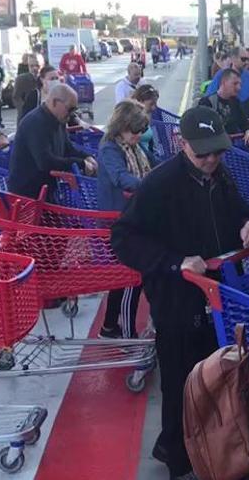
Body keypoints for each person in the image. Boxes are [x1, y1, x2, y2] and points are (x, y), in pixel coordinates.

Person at [111, 106, 249, 479]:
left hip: (218, 297)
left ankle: (216, 447)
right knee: (182, 382)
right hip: (177, 300)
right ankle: (179, 459)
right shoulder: (160, 184)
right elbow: (123, 238)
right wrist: (175, 261)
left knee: (218, 375)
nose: (212, 160)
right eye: (204, 153)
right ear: (183, 145)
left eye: (218, 151)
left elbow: (241, 213)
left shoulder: (220, 176)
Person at [96, 101, 154, 339]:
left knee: (122, 277)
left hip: (130, 217)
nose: (139, 136)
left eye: (142, 131)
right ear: (121, 127)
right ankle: (127, 335)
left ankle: (109, 326)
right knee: (132, 276)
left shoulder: (136, 148)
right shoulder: (110, 149)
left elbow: (156, 163)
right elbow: (121, 177)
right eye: (135, 131)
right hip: (117, 222)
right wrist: (151, 186)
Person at [9, 84, 97, 198]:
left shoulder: (58, 120)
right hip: (29, 194)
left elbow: (67, 149)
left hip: (47, 189)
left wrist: (86, 157)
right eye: (70, 109)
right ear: (55, 102)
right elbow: (45, 162)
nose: (72, 114)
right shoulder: (35, 123)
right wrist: (80, 163)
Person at [198, 69, 249, 143]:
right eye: (235, 83)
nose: (239, 88)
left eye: (240, 84)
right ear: (224, 83)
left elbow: (244, 123)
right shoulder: (207, 102)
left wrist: (248, 132)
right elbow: (203, 130)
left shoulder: (235, 102)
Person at [206, 47, 249, 117]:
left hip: (245, 120)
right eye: (243, 59)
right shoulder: (221, 74)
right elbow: (210, 95)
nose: (247, 62)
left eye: (248, 59)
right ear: (233, 59)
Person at [130, 84, 160, 161]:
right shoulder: (132, 119)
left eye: (155, 103)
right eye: (151, 104)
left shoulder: (149, 115)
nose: (154, 108)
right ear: (140, 101)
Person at [13, 56, 41, 123]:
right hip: (25, 117)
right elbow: (16, 98)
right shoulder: (21, 79)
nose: (34, 68)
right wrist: (24, 109)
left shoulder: (46, 79)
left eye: (37, 65)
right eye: (31, 66)